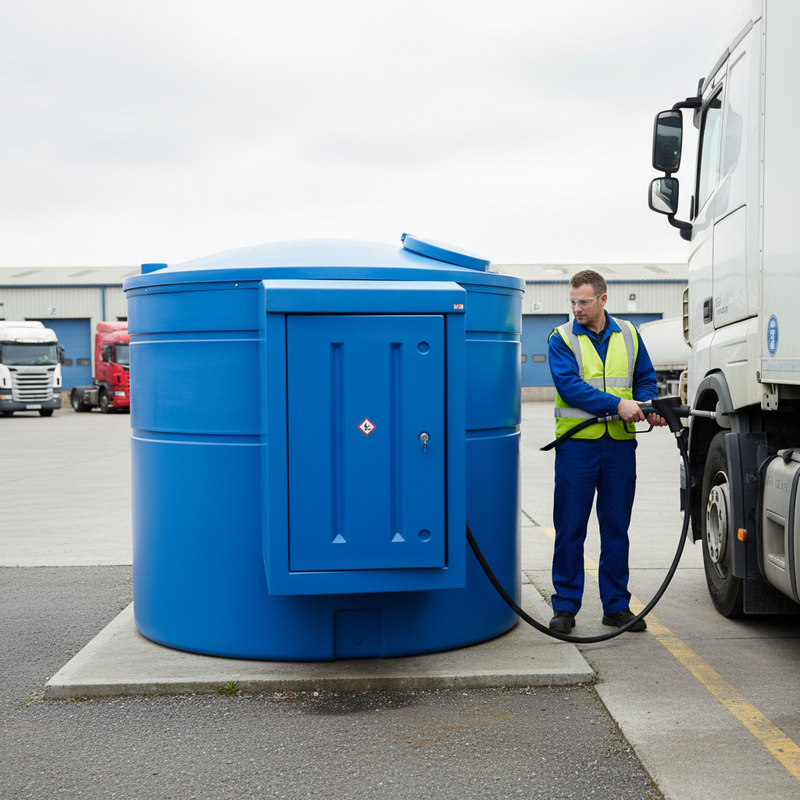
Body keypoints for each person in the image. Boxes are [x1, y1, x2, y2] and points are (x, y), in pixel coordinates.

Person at [546, 270, 666, 634]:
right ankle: (565, 608)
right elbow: (571, 388)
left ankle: (616, 607)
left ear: (603, 299)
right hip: (577, 449)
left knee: (616, 528)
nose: (576, 308)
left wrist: (646, 404)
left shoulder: (629, 334)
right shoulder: (562, 338)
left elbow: (644, 376)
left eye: (583, 301)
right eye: (572, 301)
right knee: (570, 528)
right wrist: (619, 403)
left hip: (618, 448)